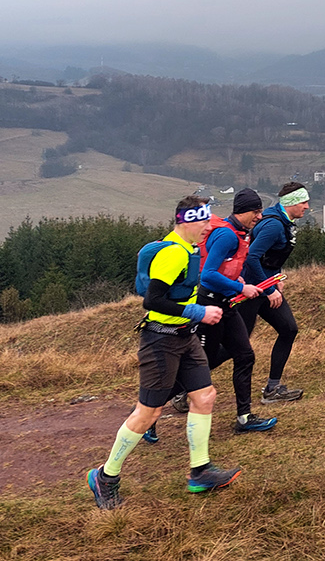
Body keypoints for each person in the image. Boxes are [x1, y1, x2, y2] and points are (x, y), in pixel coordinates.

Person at [87, 195, 241, 510]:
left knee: (205, 396)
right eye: (202, 222)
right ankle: (106, 477)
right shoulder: (172, 253)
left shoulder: (191, 250)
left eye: (209, 222)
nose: (207, 228)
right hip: (160, 342)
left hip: (184, 338)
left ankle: (200, 471)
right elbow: (152, 301)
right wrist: (199, 312)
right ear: (185, 220)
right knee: (148, 413)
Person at [162, 188, 277, 434]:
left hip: (226, 305)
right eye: (256, 212)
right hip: (209, 305)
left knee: (245, 355)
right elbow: (209, 275)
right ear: (244, 211)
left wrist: (249, 281)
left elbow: (230, 267)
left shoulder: (239, 232)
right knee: (204, 364)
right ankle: (150, 410)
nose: (259, 216)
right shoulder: (227, 235)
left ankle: (244, 418)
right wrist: (241, 288)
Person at [242, 181, 310, 403]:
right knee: (233, 346)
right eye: (304, 202)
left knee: (288, 329)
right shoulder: (273, 226)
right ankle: (185, 389)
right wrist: (269, 288)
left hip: (263, 286)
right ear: (291, 203)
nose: (307, 207)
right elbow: (252, 257)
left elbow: (270, 257)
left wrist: (276, 278)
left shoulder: (283, 220)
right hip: (250, 291)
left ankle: (273, 388)